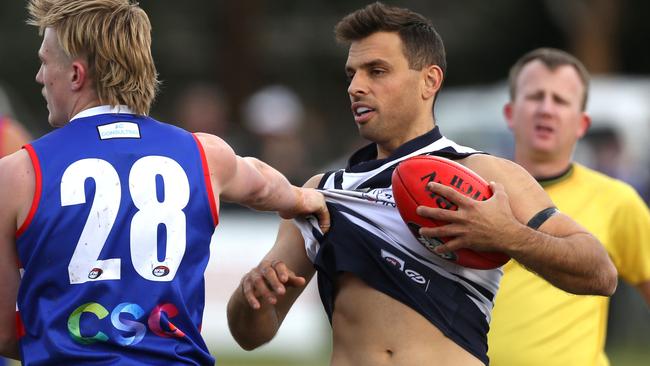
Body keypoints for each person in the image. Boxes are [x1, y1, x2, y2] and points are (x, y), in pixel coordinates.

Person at [226, 3, 617, 365]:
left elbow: (600, 272)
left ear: (429, 81)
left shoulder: (487, 174)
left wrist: (507, 235)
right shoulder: (320, 192)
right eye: (352, 74)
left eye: (376, 71)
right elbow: (251, 334)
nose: (356, 87)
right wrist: (252, 298)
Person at [0, 0, 328, 364]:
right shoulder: (205, 154)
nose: (39, 76)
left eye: (45, 62)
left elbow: (2, 332)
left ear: (76, 75)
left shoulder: (16, 173)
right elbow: (265, 184)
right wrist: (302, 199)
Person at [488, 48, 650, 366]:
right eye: (535, 96)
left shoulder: (616, 200)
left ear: (582, 123)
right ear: (510, 113)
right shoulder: (473, 192)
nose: (546, 109)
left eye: (561, 101)